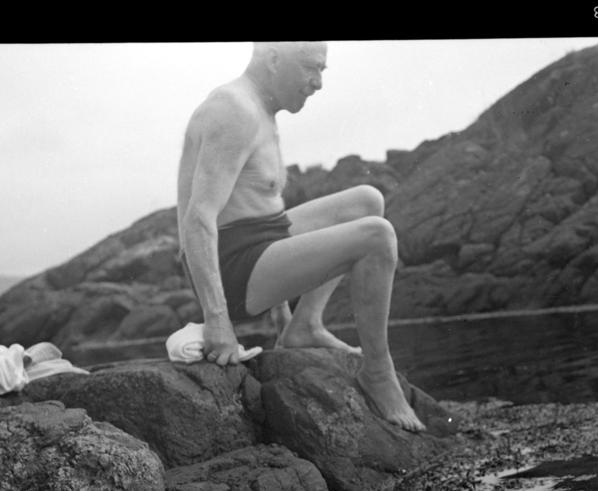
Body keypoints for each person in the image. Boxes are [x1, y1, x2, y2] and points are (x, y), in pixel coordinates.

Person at [176, 41, 425, 433]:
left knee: (367, 202)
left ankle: (304, 325)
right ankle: (377, 372)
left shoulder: (260, 107)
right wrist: (218, 321)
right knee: (378, 236)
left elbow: (257, 207)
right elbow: (198, 219)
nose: (319, 83)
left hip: (256, 247)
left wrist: (282, 311)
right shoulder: (234, 109)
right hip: (231, 268)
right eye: (312, 68)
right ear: (274, 58)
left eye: (322, 70)